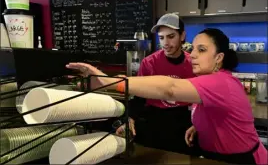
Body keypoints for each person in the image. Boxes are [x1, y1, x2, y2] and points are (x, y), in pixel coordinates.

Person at [66, 28, 267, 164]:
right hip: (215, 155)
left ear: (219, 58)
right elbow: (216, 110)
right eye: (193, 48)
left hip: (239, 160)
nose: (193, 54)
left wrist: (107, 80)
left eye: (202, 50)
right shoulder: (211, 80)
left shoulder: (220, 81)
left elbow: (168, 88)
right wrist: (200, 125)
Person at [116, 12, 196, 155]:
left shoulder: (194, 64)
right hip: (154, 120)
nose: (165, 43)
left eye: (171, 37)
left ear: (182, 36)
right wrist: (131, 119)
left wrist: (198, 124)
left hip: (183, 122)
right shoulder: (149, 63)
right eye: (161, 38)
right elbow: (139, 96)